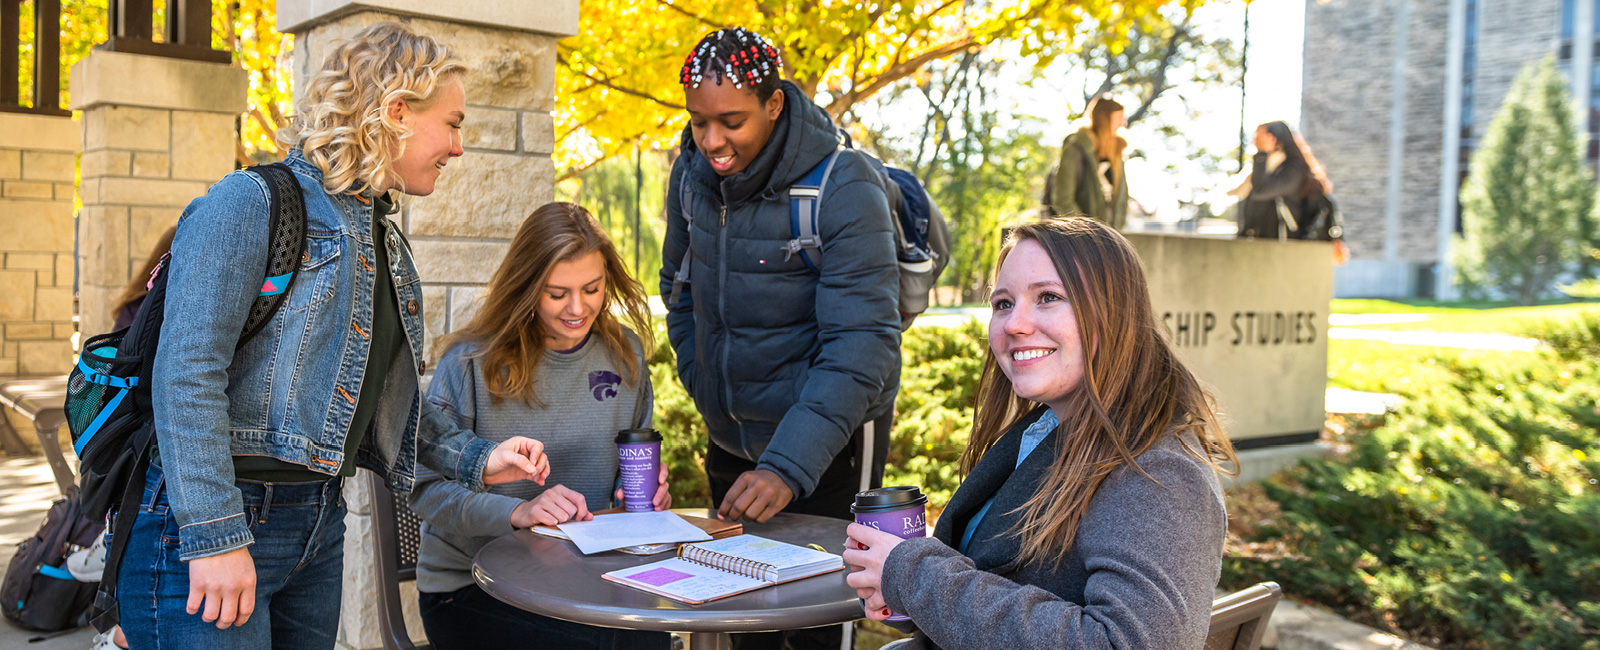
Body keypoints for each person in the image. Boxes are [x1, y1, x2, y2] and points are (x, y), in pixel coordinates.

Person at [118, 22, 551, 650]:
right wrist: (214, 536)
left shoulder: (381, 239)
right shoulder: (249, 202)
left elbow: (376, 401)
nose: (458, 147)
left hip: (318, 522)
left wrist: (481, 459)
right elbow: (186, 373)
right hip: (221, 521)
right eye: (452, 123)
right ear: (398, 111)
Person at [842, 217, 1238, 649]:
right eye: (1003, 303)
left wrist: (912, 575)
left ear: (1115, 314)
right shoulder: (1044, 430)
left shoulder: (1158, 473)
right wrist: (897, 586)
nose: (1014, 324)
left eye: (1048, 297)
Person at [660, 26, 902, 650]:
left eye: (731, 121)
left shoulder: (843, 185)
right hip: (732, 443)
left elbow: (863, 345)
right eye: (698, 122)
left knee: (819, 623)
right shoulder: (690, 177)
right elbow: (678, 295)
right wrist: (707, 387)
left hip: (830, 447)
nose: (712, 140)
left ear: (774, 104)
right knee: (746, 621)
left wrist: (788, 467)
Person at [410, 202, 671, 650]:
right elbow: (426, 490)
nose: (578, 308)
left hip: (586, 578)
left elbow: (631, 474)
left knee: (650, 635)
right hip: (473, 586)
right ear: (527, 287)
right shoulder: (471, 362)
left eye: (592, 288)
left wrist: (642, 496)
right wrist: (519, 514)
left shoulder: (623, 353)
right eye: (556, 293)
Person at [1232, 120, 1332, 239]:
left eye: (1259, 136)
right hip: (1258, 240)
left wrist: (1262, 155)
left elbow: (1260, 190)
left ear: (1274, 138)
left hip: (1280, 243)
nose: (1255, 141)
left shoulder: (1293, 170)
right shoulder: (1266, 167)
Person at [1041, 94, 1129, 229]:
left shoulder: (1117, 154)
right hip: (1079, 237)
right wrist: (1087, 232)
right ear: (1104, 120)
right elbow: (1063, 200)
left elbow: (1121, 200)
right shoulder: (1075, 149)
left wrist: (1114, 233)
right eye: (1118, 119)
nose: (1123, 124)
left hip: (1109, 237)